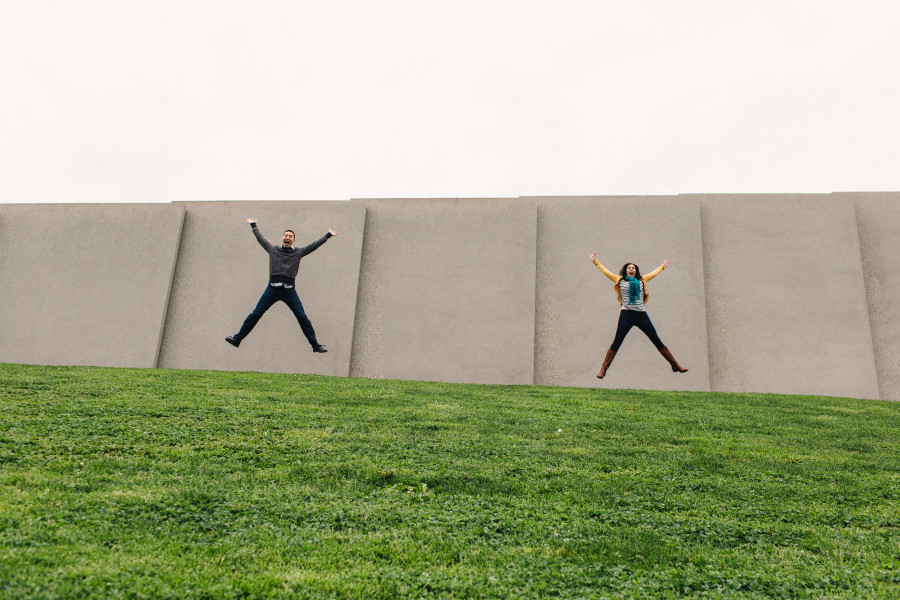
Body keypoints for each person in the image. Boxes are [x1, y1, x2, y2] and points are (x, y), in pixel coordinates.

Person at [226, 218, 338, 353]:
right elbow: (261, 239)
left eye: (290, 236)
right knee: (256, 314)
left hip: (289, 291)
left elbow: (314, 245)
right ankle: (237, 339)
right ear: (282, 238)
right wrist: (253, 225)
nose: (288, 238)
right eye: (286, 235)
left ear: (293, 240)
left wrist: (327, 235)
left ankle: (315, 346)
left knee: (302, 317)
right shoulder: (273, 249)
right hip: (272, 289)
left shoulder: (298, 252)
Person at [588, 253, 687, 378]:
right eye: (629, 267)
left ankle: (674, 364)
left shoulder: (642, 280)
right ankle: (603, 369)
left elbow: (654, 273)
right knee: (617, 341)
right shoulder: (619, 280)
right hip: (626, 315)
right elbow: (606, 272)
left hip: (641, 315)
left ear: (636, 271)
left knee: (656, 339)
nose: (631, 269)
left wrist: (663, 266)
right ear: (625, 270)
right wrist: (595, 261)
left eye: (633, 268)